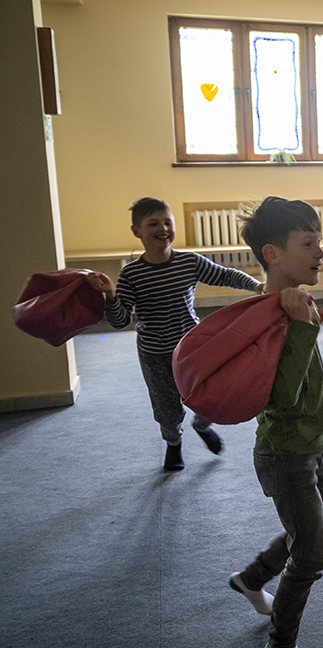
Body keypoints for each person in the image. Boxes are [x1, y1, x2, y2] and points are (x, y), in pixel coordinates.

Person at [226, 197, 323, 648]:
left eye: (319, 241)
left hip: (311, 445)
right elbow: (283, 396)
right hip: (287, 452)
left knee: (314, 531)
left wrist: (306, 324)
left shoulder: (292, 305)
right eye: (308, 243)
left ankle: (251, 579)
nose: (321, 253)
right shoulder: (272, 315)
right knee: (310, 551)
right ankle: (280, 647)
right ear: (272, 253)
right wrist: (304, 330)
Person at [86, 198, 262, 471]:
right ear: (136, 231)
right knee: (167, 410)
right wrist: (110, 294)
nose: (163, 228)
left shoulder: (189, 262)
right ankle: (173, 444)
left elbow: (225, 275)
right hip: (154, 355)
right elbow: (119, 321)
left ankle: (202, 426)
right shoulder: (131, 274)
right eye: (153, 224)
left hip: (192, 349)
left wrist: (257, 285)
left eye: (168, 222)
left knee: (210, 396)